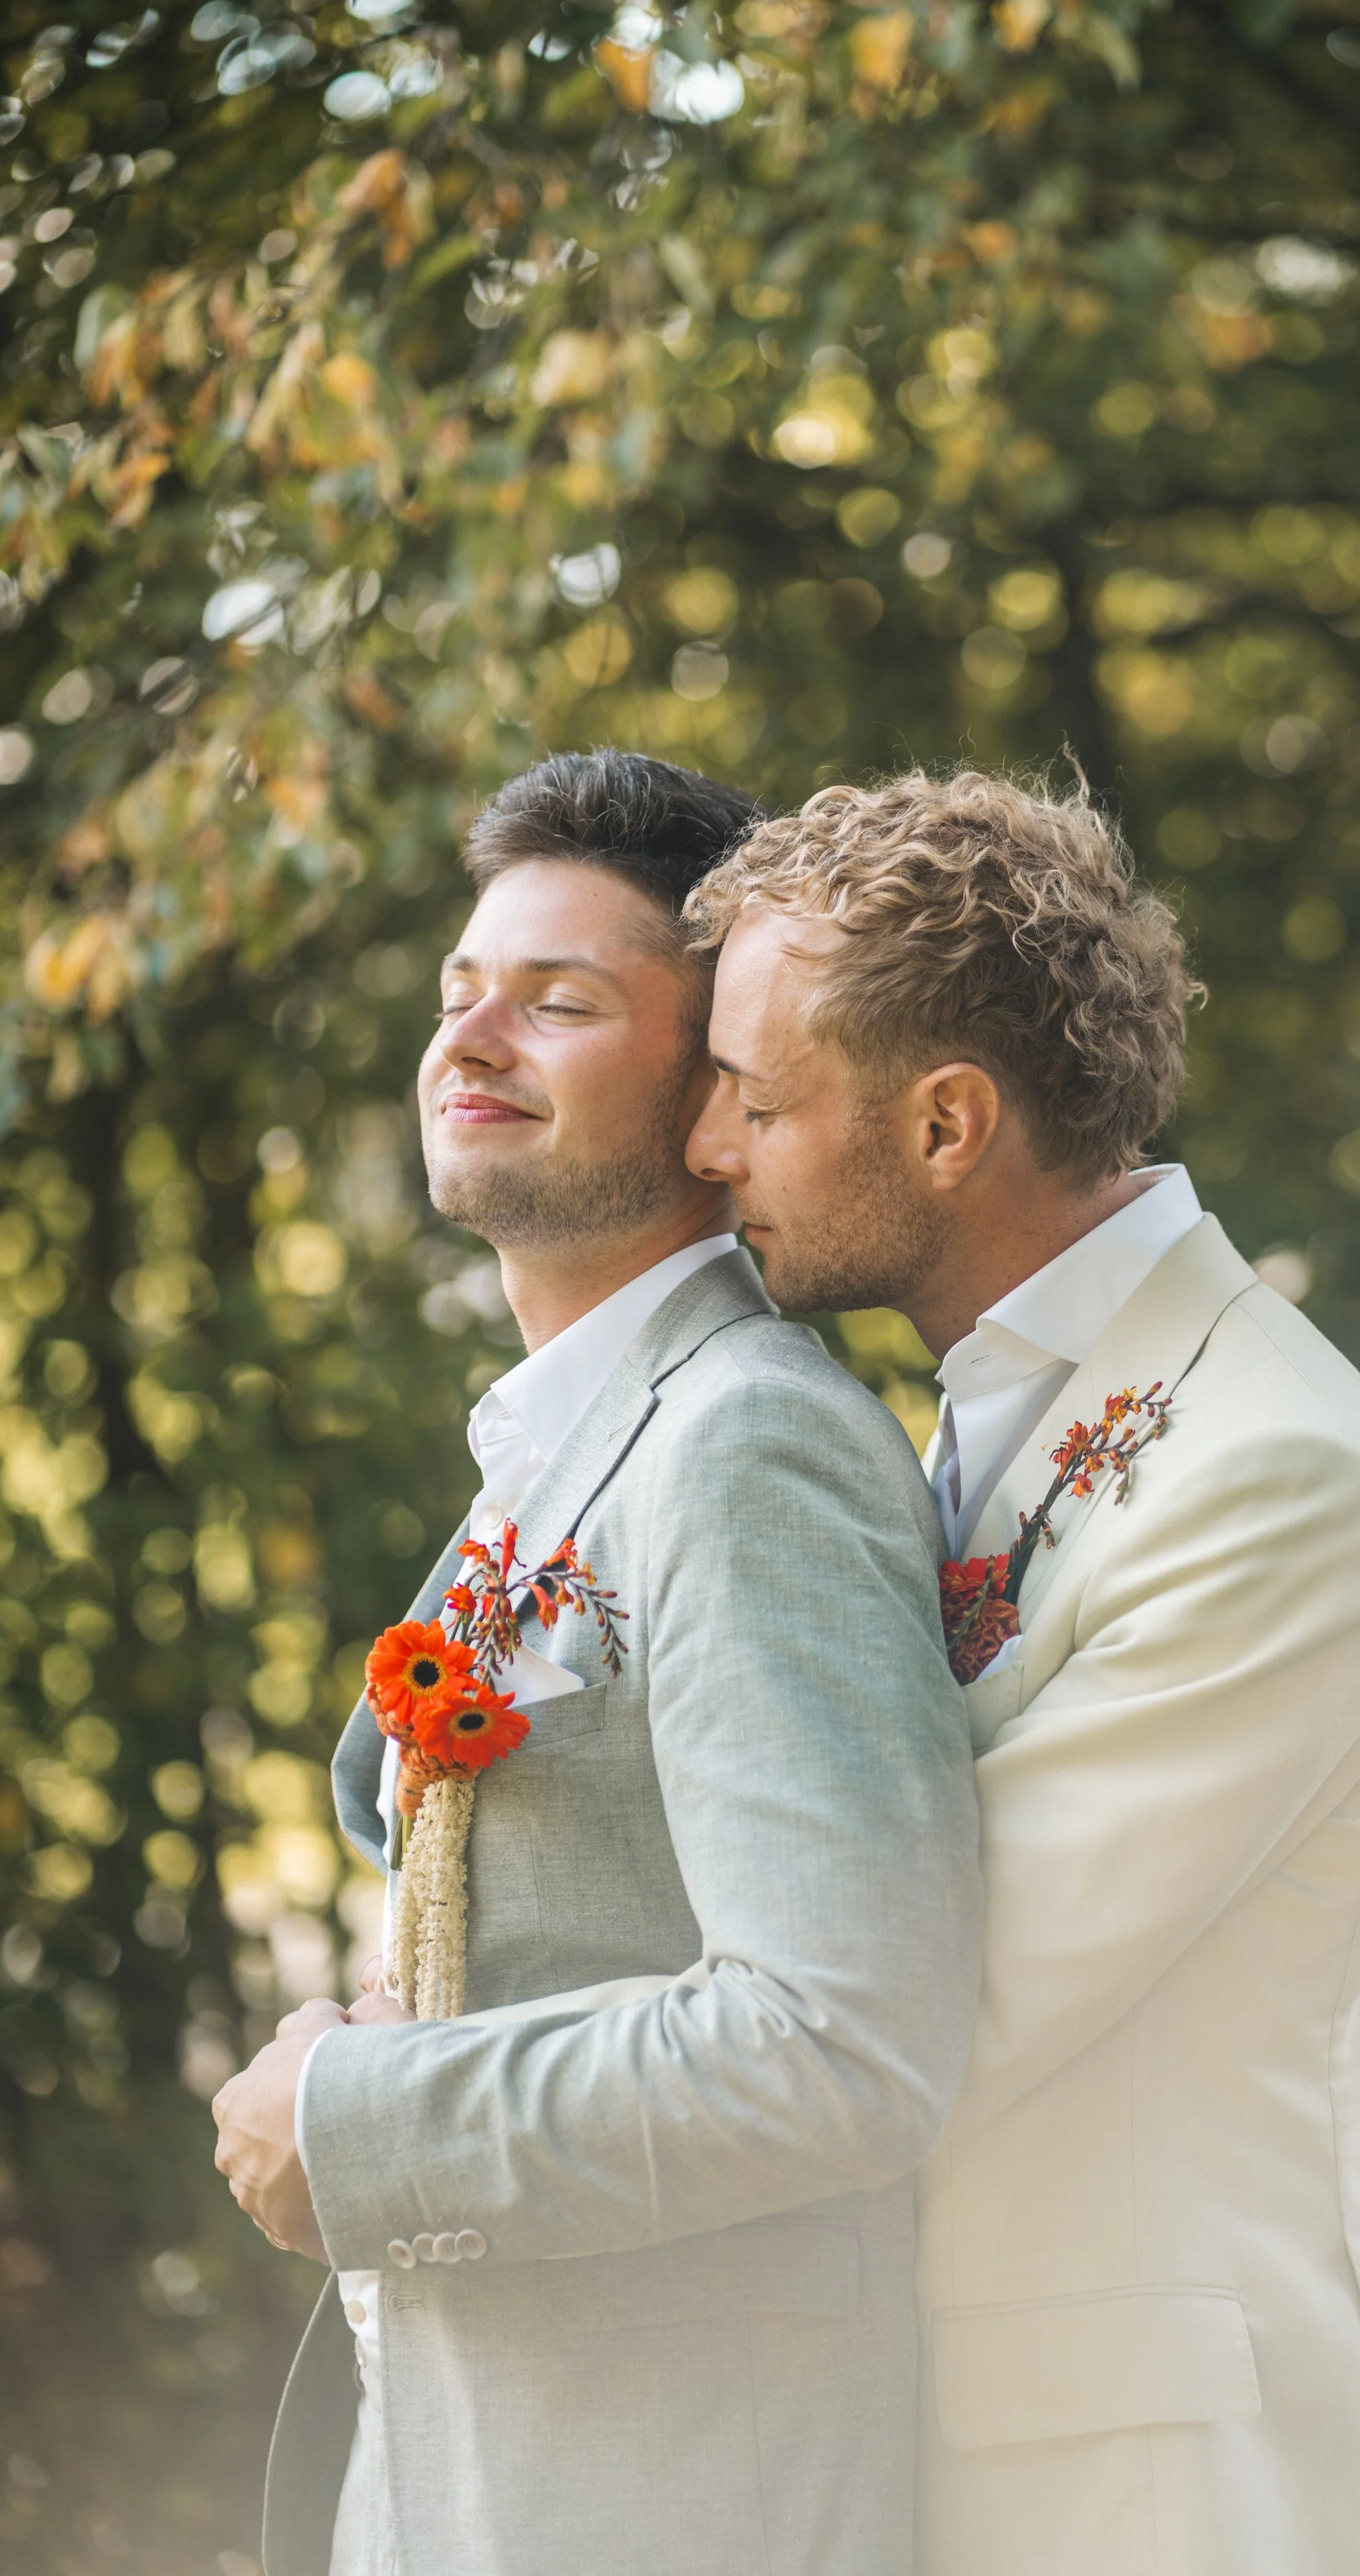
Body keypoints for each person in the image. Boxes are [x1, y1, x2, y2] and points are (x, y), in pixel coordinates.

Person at [685, 767, 1360, 2576]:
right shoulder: (971, 1408)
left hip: (1167, 2492)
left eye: (757, 1095)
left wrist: (451, 2078)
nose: (711, 1145)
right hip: (954, 2453)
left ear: (948, 1123)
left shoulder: (1272, 1479)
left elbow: (915, 1988)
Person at [210, 749, 982, 2576]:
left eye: (560, 1002)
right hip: (477, 2483)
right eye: (460, 991)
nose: (473, 1037)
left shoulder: (747, 1446)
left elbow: (839, 2039)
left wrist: (357, 2121)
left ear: (720, 1089)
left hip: (678, 2498)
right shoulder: (556, 1456)